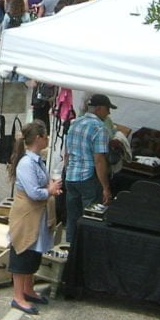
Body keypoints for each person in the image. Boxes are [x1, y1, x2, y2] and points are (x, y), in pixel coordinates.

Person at [7, 120, 62, 315]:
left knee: (33, 253)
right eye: (45, 136)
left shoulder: (37, 160)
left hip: (37, 215)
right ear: (38, 138)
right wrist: (51, 190)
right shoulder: (26, 163)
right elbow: (33, 192)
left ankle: (28, 290)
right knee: (23, 252)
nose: (47, 139)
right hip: (27, 214)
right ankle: (18, 296)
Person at [64, 94, 115, 244]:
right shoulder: (100, 128)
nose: (109, 113)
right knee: (89, 219)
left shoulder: (75, 123)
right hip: (88, 177)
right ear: (99, 109)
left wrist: (68, 171)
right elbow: (99, 160)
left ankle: (69, 249)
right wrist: (106, 187)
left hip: (71, 176)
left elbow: (67, 153)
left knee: (72, 218)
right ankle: (85, 251)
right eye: (108, 109)